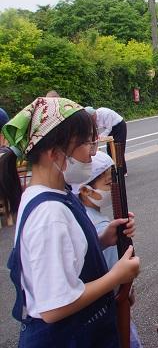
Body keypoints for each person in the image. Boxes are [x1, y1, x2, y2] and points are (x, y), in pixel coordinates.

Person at [0, 97, 139, 347]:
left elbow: (62, 257)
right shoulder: (49, 215)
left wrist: (101, 240)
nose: (94, 151)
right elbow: (55, 307)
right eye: (87, 143)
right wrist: (116, 277)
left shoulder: (53, 193)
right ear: (54, 153)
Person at [70, 151, 142, 348]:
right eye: (108, 184)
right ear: (85, 190)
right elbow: (117, 276)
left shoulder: (79, 217)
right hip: (108, 308)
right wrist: (127, 291)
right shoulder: (101, 226)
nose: (112, 189)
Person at [85, 106, 128, 175]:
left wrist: (99, 137)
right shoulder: (93, 118)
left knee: (118, 149)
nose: (91, 120)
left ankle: (122, 171)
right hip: (110, 129)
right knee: (110, 150)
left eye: (91, 118)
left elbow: (108, 129)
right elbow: (94, 129)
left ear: (93, 114)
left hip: (119, 126)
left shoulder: (105, 113)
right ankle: (113, 170)